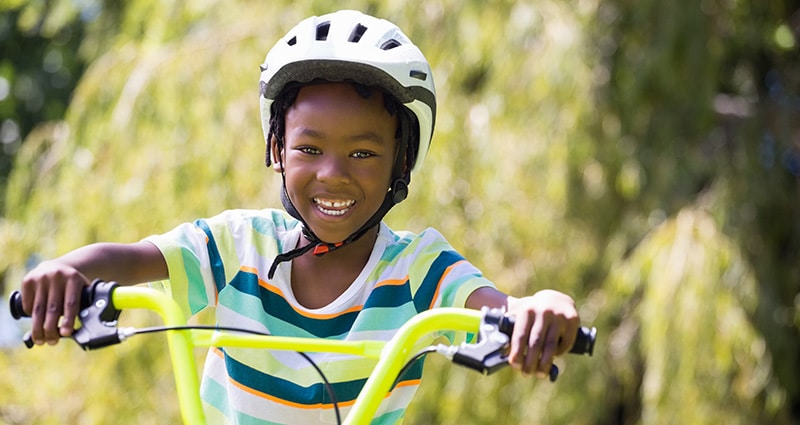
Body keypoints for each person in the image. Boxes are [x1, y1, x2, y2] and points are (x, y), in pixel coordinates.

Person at [18, 9, 580, 425]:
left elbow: (500, 307)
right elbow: (133, 258)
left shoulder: (418, 267)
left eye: (362, 153)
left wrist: (543, 309)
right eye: (309, 150)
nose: (333, 174)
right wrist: (67, 272)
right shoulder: (239, 246)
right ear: (277, 150)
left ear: (401, 162)